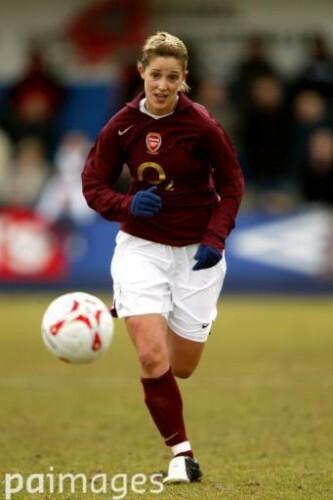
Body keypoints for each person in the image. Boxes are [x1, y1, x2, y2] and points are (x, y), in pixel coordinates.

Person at [82, 31, 244, 484]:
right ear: (142, 73)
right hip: (141, 247)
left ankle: (138, 305)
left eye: (172, 77)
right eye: (156, 75)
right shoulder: (121, 126)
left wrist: (215, 238)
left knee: (183, 367)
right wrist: (126, 205)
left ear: (183, 80)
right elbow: (93, 185)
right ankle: (182, 455)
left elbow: (232, 186)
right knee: (153, 357)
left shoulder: (203, 126)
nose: (163, 84)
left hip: (196, 253)